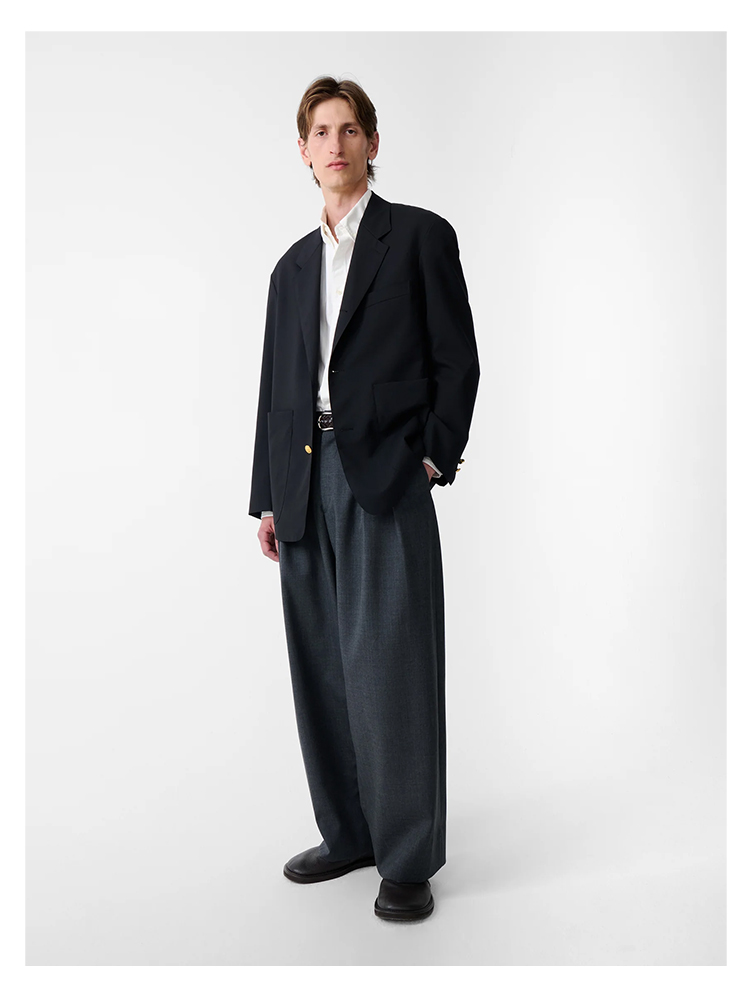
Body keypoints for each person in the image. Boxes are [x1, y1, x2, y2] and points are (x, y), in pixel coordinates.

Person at [248, 75, 480, 921]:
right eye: (321, 131)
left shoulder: (417, 236)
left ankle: (407, 856)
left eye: (349, 129)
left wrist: (433, 458)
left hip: (385, 471)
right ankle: (348, 831)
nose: (335, 144)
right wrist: (267, 496)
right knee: (322, 667)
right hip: (303, 476)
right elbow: (277, 386)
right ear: (303, 151)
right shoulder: (290, 269)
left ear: (371, 143)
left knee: (393, 668)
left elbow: (457, 359)